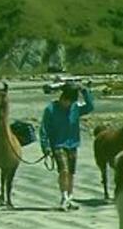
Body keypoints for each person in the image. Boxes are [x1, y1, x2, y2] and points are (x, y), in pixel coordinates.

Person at [40, 80, 94, 211]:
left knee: (71, 173)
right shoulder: (50, 109)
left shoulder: (75, 108)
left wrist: (84, 91)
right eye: (67, 102)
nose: (68, 105)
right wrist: (46, 147)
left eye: (70, 102)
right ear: (62, 98)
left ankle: (70, 197)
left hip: (73, 144)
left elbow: (90, 107)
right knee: (63, 171)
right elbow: (44, 129)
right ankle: (64, 197)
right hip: (58, 145)